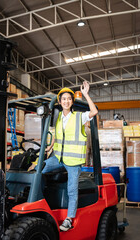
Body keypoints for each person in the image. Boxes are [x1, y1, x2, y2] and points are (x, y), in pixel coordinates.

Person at [42, 81, 98, 232]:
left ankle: (69, 219)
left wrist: (85, 94)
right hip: (58, 158)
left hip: (73, 161)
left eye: (69, 98)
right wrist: (51, 146)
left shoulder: (79, 116)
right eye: (63, 99)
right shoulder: (59, 116)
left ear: (72, 102)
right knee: (39, 170)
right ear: (59, 102)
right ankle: (40, 203)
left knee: (71, 189)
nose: (66, 101)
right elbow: (57, 133)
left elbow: (94, 112)